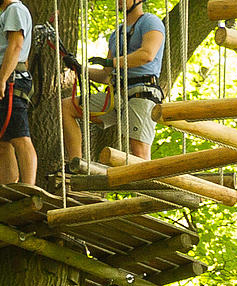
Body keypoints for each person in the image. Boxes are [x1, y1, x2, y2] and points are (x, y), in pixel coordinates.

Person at [60, 0, 165, 170]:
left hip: (141, 91)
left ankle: (148, 189)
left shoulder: (150, 22)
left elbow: (147, 54)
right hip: (117, 95)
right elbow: (105, 74)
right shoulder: (117, 34)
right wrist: (80, 68)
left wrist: (111, 61)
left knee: (138, 151)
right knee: (67, 107)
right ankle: (76, 164)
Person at [0, 0, 37, 185]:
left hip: (11, 80)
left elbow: (16, 45)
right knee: (2, 143)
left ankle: (29, 188)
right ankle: (7, 190)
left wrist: (2, 81)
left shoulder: (15, 9)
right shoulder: (5, 14)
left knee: (20, 136)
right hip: (0, 79)